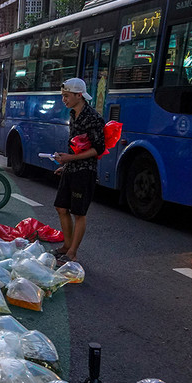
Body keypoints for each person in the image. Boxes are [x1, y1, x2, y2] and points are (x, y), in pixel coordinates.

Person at [52, 78, 106, 265]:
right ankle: (66, 246)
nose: (64, 100)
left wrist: (69, 159)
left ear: (79, 95)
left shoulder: (93, 117)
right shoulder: (73, 114)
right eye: (63, 96)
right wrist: (66, 165)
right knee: (60, 207)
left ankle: (72, 253)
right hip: (72, 168)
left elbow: (97, 149)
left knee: (79, 213)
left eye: (66, 96)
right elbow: (76, 146)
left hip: (85, 171)